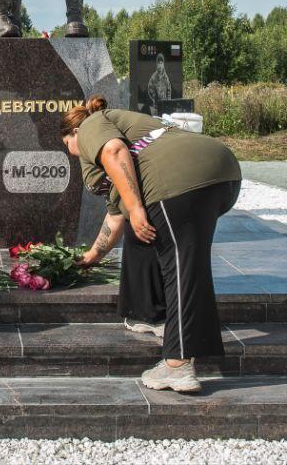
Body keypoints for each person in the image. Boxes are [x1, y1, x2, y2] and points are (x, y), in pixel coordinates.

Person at [62, 96, 241, 393]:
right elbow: (116, 216)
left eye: (69, 145)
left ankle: (177, 365)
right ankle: (147, 312)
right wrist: (92, 255)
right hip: (223, 173)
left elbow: (113, 151)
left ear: (74, 132)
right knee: (144, 232)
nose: (75, 154)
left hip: (179, 180)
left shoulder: (92, 123)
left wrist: (135, 207)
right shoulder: (136, 132)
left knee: (182, 264)